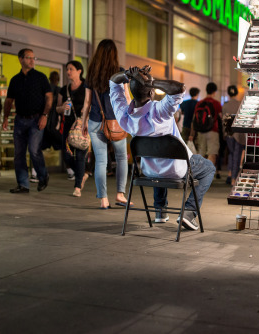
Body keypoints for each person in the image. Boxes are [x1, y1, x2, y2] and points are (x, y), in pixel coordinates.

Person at [108, 66, 216, 230]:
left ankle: (160, 211)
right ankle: (189, 211)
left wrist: (128, 75)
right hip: (177, 169)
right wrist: (149, 81)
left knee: (157, 157)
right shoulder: (160, 110)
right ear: (151, 92)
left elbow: (113, 83)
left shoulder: (124, 116)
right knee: (209, 168)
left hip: (149, 171)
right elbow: (179, 88)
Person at [81, 39, 130, 209]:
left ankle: (103, 199)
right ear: (114, 54)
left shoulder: (92, 73)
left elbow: (87, 103)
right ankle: (120, 195)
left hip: (95, 121)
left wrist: (83, 123)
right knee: (122, 157)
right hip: (116, 122)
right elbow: (127, 98)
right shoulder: (120, 73)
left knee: (101, 162)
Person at [3, 48, 52, 193]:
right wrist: (5, 118)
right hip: (19, 120)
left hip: (36, 119)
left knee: (34, 150)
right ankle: (23, 184)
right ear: (21, 59)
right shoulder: (15, 80)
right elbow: (9, 100)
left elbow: (49, 98)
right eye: (29, 58)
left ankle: (43, 175)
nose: (32, 60)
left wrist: (45, 115)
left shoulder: (41, 77)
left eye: (33, 58)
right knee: (19, 153)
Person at [56, 60, 87, 197]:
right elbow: (57, 108)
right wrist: (62, 108)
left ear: (79, 71)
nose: (68, 72)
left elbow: (92, 104)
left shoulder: (87, 86)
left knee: (80, 155)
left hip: (82, 125)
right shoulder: (64, 89)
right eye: (67, 69)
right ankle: (83, 173)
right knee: (67, 156)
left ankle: (77, 187)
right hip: (68, 127)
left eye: (71, 69)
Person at [189, 82, 222, 173]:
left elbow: (194, 118)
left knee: (201, 153)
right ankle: (208, 175)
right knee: (212, 153)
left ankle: (201, 175)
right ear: (214, 92)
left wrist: (192, 133)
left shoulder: (200, 103)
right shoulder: (216, 103)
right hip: (213, 131)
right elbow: (221, 117)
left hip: (201, 131)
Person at [222, 85, 245, 186]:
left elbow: (223, 120)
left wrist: (224, 133)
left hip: (228, 133)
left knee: (231, 154)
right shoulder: (240, 104)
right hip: (238, 134)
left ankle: (229, 173)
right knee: (236, 155)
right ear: (236, 93)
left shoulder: (225, 105)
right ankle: (233, 179)